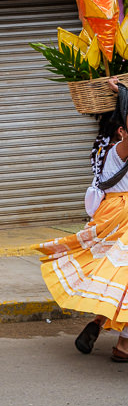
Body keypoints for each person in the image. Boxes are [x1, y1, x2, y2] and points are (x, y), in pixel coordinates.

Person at [34, 76, 128, 360]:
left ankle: (107, 330)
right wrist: (125, 93)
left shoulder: (105, 150)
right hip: (120, 217)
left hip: (111, 216)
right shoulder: (117, 152)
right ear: (122, 131)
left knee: (120, 276)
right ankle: (122, 343)